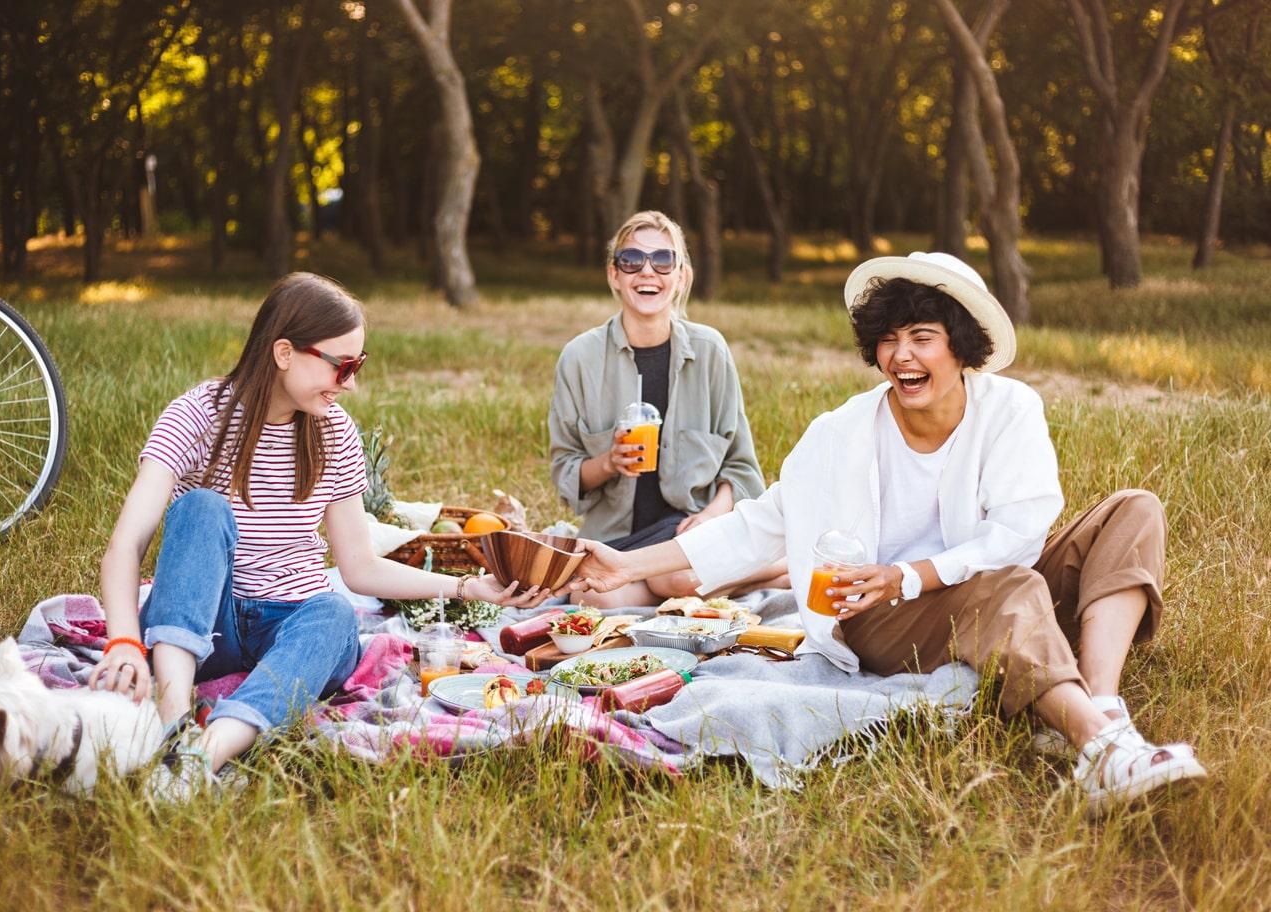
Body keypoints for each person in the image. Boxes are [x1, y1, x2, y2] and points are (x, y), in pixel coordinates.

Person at [565, 252, 1207, 815]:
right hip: (878, 617)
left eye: (923, 336)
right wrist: (628, 568)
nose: (903, 355)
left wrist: (913, 573)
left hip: (977, 588)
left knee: (1135, 509)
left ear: (961, 346)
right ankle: (1101, 746)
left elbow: (1020, 532)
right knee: (1003, 586)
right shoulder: (840, 433)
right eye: (889, 338)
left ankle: (1104, 712)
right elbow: (759, 527)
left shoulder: (1010, 410)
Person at [88, 272, 543, 800]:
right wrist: (122, 640)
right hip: (204, 625)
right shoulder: (198, 415)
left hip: (292, 624)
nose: (351, 383)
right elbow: (126, 544)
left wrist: (467, 589)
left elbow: (360, 568)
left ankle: (202, 756)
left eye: (359, 365)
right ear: (284, 352)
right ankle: (172, 723)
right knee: (200, 508)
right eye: (342, 366)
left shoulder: (334, 432)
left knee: (334, 614)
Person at [548, 210, 786, 607]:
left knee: (677, 573)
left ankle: (759, 571)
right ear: (614, 275)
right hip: (618, 540)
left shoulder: (710, 351)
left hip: (690, 531)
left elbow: (741, 467)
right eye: (631, 260)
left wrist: (710, 518)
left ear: (682, 277)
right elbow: (565, 473)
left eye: (663, 260)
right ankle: (775, 574)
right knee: (597, 601)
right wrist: (609, 462)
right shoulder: (579, 358)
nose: (647, 272)